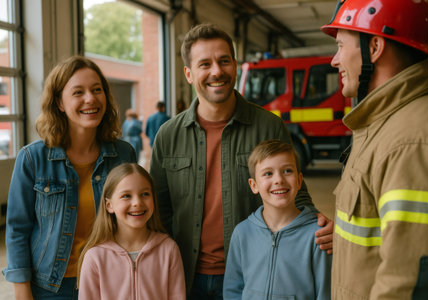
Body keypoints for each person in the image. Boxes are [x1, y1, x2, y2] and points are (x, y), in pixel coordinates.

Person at [149, 23, 334, 299]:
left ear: (235, 65)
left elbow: (295, 193)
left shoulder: (268, 126)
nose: (216, 71)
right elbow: (159, 211)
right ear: (188, 74)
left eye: (224, 61)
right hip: (185, 276)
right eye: (205, 64)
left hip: (253, 275)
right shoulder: (168, 135)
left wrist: (318, 225)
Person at [321, 0, 428, 299]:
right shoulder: (382, 126)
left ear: (375, 47)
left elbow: (413, 284)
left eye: (341, 46)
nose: (334, 60)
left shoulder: (415, 142)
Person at [2, 56, 137, 299]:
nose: (90, 98)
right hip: (51, 287)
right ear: (59, 103)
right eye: (78, 92)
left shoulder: (123, 154)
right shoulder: (32, 158)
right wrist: (22, 289)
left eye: (97, 90)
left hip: (111, 281)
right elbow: (17, 229)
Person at [223, 139, 332, 299]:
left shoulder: (317, 236)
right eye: (268, 173)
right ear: (254, 185)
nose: (279, 180)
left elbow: (325, 294)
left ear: (300, 180)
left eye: (287, 171)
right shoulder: (242, 233)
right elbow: (232, 291)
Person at [78, 163, 185, 300]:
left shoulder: (168, 249)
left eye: (145, 194)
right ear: (109, 205)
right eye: (126, 196)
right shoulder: (95, 257)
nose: (137, 203)